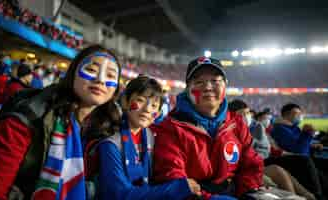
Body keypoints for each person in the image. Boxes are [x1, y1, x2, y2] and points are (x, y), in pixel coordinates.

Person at [0, 45, 122, 200]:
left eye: (110, 75)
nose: (101, 80)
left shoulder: (108, 131)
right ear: (72, 74)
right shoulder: (29, 116)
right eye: (91, 70)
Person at [152, 57, 263, 200]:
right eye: (199, 82)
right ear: (187, 89)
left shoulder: (237, 123)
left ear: (225, 85)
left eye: (215, 81)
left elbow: (252, 165)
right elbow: (174, 180)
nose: (208, 87)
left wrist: (245, 193)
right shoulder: (171, 127)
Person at [87, 76, 200, 200]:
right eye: (140, 100)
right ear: (125, 101)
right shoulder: (110, 143)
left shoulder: (153, 137)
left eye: (154, 105)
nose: (147, 109)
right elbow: (120, 194)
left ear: (158, 113)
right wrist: (176, 188)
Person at [228, 99, 316, 200]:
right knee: (293, 164)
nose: (247, 116)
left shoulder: (254, 128)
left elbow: (265, 149)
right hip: (258, 164)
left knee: (299, 163)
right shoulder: (233, 132)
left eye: (247, 113)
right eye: (242, 114)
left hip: (260, 161)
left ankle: (309, 196)